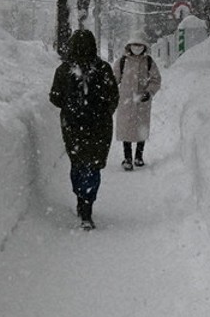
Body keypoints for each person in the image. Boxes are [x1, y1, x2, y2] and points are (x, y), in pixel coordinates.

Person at [49, 29, 119, 230]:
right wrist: (102, 112)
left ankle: (80, 198)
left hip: (73, 126)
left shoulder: (64, 70)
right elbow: (113, 96)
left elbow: (55, 97)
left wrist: (71, 107)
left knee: (78, 163)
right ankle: (88, 204)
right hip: (99, 127)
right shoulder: (103, 69)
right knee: (93, 165)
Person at [112, 35, 162, 171]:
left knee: (141, 129)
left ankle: (139, 157)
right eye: (135, 45)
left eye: (140, 45)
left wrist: (149, 92)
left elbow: (156, 80)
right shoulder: (122, 61)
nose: (137, 48)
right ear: (129, 46)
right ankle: (127, 158)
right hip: (126, 102)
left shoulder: (149, 62)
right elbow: (112, 80)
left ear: (145, 46)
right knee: (126, 130)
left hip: (142, 102)